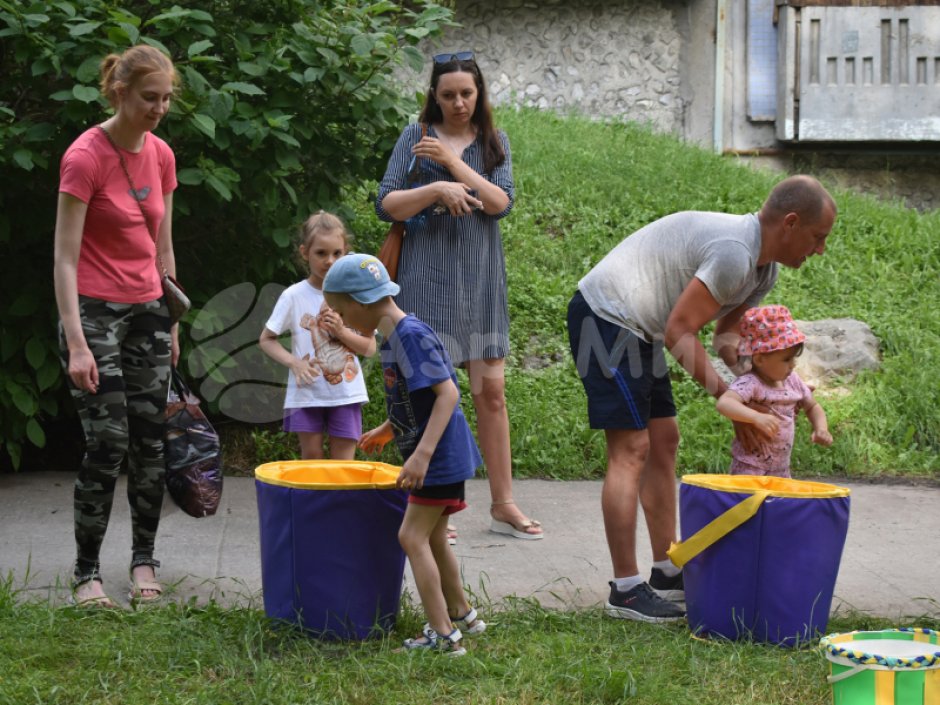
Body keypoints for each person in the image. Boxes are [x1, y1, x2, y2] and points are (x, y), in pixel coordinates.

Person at [566, 175, 837, 622]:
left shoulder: (761, 270)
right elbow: (679, 332)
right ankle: (626, 589)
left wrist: (754, 389)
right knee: (631, 448)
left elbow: (723, 335)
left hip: (640, 327)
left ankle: (666, 569)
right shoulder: (735, 252)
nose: (820, 249)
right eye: (818, 237)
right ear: (790, 222)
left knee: (665, 439)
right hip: (607, 317)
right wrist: (730, 398)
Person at [375, 51, 541, 540]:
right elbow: (388, 204)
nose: (458, 103)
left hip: (480, 278)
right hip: (425, 276)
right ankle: (433, 506)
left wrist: (450, 165)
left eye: (466, 93)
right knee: (429, 391)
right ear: (434, 95)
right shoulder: (413, 137)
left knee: (491, 393)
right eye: (448, 95)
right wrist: (434, 191)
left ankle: (503, 503)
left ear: (479, 93)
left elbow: (500, 202)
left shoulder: (495, 142)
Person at [53, 45, 182, 607]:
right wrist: (77, 343)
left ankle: (144, 562)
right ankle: (86, 573)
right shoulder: (85, 157)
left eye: (167, 98)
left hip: (151, 309)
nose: (159, 108)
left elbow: (163, 244)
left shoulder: (161, 155)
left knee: (151, 443)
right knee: (107, 442)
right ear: (119, 92)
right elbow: (63, 258)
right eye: (149, 98)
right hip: (94, 312)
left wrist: (173, 323)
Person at [323, 253, 487, 657]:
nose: (344, 323)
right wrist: (388, 428)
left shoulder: (409, 336)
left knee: (410, 536)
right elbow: (418, 401)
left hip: (439, 458)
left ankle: (443, 635)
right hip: (437, 455)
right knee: (431, 537)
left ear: (360, 302)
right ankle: (463, 614)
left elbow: (448, 393)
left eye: (342, 313)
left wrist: (421, 456)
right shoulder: (394, 336)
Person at [259, 212, 376, 460]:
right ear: (305, 253)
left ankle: (340, 502)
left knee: (343, 466)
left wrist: (341, 331)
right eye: (321, 253)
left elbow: (369, 348)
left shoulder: (355, 294)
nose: (330, 261)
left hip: (346, 393)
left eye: (337, 253)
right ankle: (313, 502)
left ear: (346, 252)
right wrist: (295, 362)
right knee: (311, 462)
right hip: (306, 392)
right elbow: (266, 339)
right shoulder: (294, 295)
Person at [716, 305, 833, 477]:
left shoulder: (792, 380)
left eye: (793, 358)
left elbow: (812, 406)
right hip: (750, 467)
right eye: (786, 359)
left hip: (781, 468)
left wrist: (821, 428)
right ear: (760, 359)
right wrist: (755, 417)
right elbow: (725, 403)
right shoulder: (750, 383)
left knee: (780, 503)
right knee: (748, 503)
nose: (793, 364)